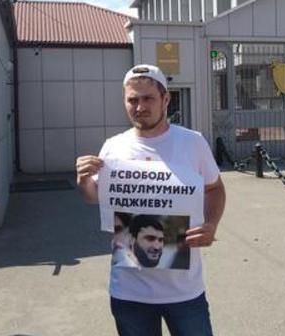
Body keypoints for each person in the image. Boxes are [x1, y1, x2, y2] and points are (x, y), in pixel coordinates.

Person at [76, 64, 226, 336]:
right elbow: (95, 198)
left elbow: (215, 189)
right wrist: (84, 182)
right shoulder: (113, 146)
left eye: (148, 99)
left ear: (166, 100)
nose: (140, 107)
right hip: (129, 291)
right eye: (132, 99)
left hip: (184, 290)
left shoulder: (192, 143)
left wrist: (212, 224)